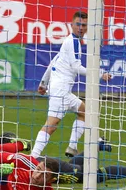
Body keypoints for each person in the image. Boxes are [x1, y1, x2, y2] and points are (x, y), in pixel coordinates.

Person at [32, 11, 112, 159]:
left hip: (61, 90)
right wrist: (100, 74)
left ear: (88, 27)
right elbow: (76, 67)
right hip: (61, 90)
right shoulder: (74, 42)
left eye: (84, 25)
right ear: (71, 25)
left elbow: (53, 63)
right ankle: (32, 157)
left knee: (86, 112)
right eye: (78, 24)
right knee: (51, 125)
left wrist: (43, 83)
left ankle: (72, 147)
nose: (80, 28)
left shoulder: (70, 41)